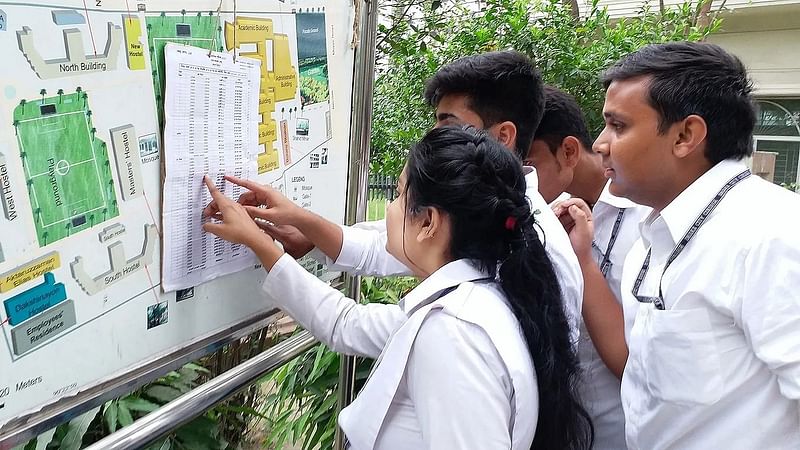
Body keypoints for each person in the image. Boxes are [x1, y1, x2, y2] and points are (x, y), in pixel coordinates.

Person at [202, 126, 593, 449]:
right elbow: (346, 324)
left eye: (399, 194)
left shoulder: (456, 335)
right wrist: (261, 244)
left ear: (428, 224)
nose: (389, 209)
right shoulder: (473, 302)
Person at [562, 41, 800, 449]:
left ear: (686, 135)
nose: (599, 144)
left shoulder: (771, 234)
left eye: (618, 126)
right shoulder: (654, 235)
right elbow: (642, 369)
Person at [261, 51, 584, 342]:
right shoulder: (488, 212)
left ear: (503, 136)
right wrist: (306, 230)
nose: (433, 135)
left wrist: (263, 246)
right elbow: (380, 246)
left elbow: (353, 324)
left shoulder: (518, 255)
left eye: (448, 124)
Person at [526, 85, 650, 449]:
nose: (521, 180)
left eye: (528, 165)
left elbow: (637, 360)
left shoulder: (646, 218)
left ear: (567, 151)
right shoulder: (550, 215)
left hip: (621, 431)